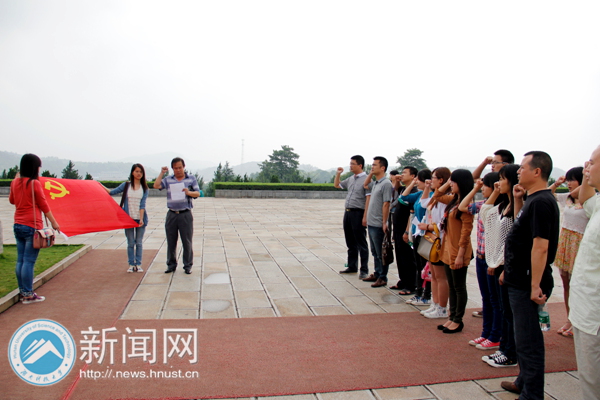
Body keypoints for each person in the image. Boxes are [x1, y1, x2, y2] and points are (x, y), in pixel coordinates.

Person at [500, 151, 559, 400]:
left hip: (527, 282)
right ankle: (523, 381)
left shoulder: (542, 202)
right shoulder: (532, 199)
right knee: (521, 335)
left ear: (537, 171)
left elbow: (540, 246)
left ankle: (532, 395)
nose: (518, 171)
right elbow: (522, 231)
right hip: (518, 277)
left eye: (523, 167)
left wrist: (535, 285)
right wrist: (517, 200)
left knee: (529, 341)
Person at [568, 145, 600, 400]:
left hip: (595, 314)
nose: (586, 168)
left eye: (592, 162)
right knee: (589, 378)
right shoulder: (597, 204)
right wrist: (588, 174)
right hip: (586, 309)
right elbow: (586, 199)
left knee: (594, 381)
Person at [458, 172, 503, 351]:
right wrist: (475, 188)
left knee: (495, 300)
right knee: (486, 298)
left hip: (493, 260)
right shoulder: (483, 204)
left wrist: (496, 192)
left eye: (485, 185)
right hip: (481, 256)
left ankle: (495, 336)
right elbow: (462, 206)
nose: (482, 188)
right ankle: (486, 333)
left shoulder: (501, 208)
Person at [9, 154, 60, 304]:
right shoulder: (34, 183)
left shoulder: (15, 182)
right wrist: (54, 223)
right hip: (32, 225)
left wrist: (16, 181)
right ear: (34, 167)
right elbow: (44, 205)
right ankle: (28, 294)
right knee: (29, 261)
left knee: (20, 260)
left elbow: (12, 201)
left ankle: (23, 291)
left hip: (18, 224)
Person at [470, 149, 514, 319]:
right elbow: (473, 180)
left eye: (495, 162)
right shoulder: (493, 202)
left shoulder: (510, 203)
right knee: (492, 299)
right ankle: (491, 327)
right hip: (487, 255)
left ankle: (497, 331)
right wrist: (484, 163)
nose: (492, 165)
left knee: (501, 304)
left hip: (499, 260)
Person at [432, 169, 475, 333]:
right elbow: (436, 196)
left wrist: (461, 255)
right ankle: (451, 317)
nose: (451, 184)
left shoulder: (466, 204)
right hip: (448, 249)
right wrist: (448, 182)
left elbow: (466, 232)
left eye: (454, 181)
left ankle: (458, 319)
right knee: (452, 285)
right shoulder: (454, 200)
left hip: (458, 250)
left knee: (459, 286)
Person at [549, 167, 588, 338]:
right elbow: (547, 194)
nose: (569, 183)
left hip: (579, 244)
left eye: (573, 180)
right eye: (568, 180)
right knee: (566, 284)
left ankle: (580, 321)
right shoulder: (568, 198)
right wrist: (557, 184)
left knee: (579, 286)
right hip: (566, 243)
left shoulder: (590, 200)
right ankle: (569, 319)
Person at [154, 157, 200, 274]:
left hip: (185, 214)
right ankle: (171, 265)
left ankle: (187, 266)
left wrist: (188, 192)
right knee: (171, 241)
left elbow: (197, 193)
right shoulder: (168, 179)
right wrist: (162, 173)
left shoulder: (191, 178)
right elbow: (156, 185)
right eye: (175, 168)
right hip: (172, 214)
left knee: (187, 241)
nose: (178, 170)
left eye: (180, 167)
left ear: (184, 167)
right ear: (172, 169)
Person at [418, 167, 452, 319]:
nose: (430, 180)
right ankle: (435, 303)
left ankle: (442, 308)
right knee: (433, 276)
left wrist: (428, 227)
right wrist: (427, 188)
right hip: (433, 239)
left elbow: (444, 223)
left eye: (433, 178)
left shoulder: (446, 199)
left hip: (440, 240)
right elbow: (424, 203)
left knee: (440, 276)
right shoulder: (436, 197)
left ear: (441, 180)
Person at [105, 163, 149, 273]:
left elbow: (142, 205)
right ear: (132, 173)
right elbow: (111, 192)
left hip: (140, 219)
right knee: (130, 243)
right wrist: (98, 185)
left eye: (141, 172)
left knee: (139, 242)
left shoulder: (144, 188)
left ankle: (138, 264)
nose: (139, 173)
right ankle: (131, 264)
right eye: (137, 171)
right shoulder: (126, 185)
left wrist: (141, 219)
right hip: (128, 219)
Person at [400, 168, 433, 304]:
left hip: (426, 235)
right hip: (416, 233)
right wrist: (412, 184)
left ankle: (426, 295)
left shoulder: (433, 196)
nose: (417, 182)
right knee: (419, 266)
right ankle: (419, 293)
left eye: (418, 180)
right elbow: (403, 198)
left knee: (426, 267)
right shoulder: (419, 194)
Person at [334, 155, 370, 279]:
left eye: (353, 164)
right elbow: (337, 185)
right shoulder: (351, 178)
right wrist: (338, 174)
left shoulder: (367, 180)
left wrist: (365, 216)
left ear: (360, 165)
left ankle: (364, 269)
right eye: (350, 163)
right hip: (348, 212)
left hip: (358, 212)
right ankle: (352, 266)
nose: (350, 166)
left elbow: (368, 199)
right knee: (350, 241)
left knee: (361, 242)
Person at [361, 156, 394, 288]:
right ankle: (377, 273)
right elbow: (365, 184)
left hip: (379, 223)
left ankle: (382, 277)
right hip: (372, 223)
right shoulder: (376, 183)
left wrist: (384, 222)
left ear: (383, 168)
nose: (372, 167)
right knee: (375, 252)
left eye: (375, 165)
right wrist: (370, 173)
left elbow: (386, 204)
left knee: (381, 253)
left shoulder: (386, 184)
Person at [390, 166, 419, 296]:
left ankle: (411, 284)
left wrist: (407, 232)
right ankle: (403, 280)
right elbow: (396, 189)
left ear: (413, 176)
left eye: (404, 173)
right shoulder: (403, 189)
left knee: (407, 258)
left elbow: (411, 214)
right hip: (397, 228)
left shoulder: (414, 191)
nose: (401, 174)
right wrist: (396, 180)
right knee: (400, 256)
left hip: (405, 229)